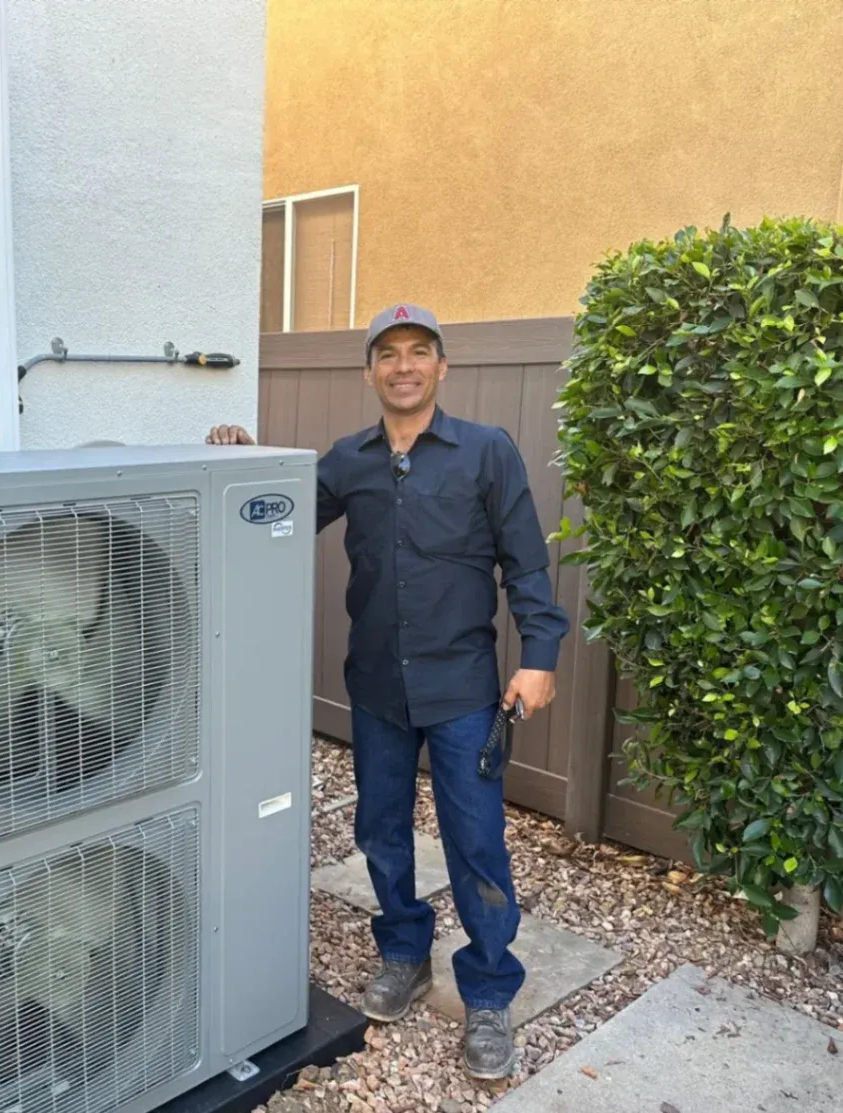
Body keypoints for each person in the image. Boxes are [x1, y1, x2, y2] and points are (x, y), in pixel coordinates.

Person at [207, 303, 569, 1080]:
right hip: (376, 686)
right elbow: (273, 510)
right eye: (388, 353)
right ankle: (404, 951)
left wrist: (539, 653)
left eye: (418, 351)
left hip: (462, 688)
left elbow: (526, 565)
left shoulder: (486, 451)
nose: (403, 366)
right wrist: (242, 459)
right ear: (369, 370)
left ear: (441, 366)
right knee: (378, 829)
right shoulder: (349, 459)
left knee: (475, 841)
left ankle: (487, 991)